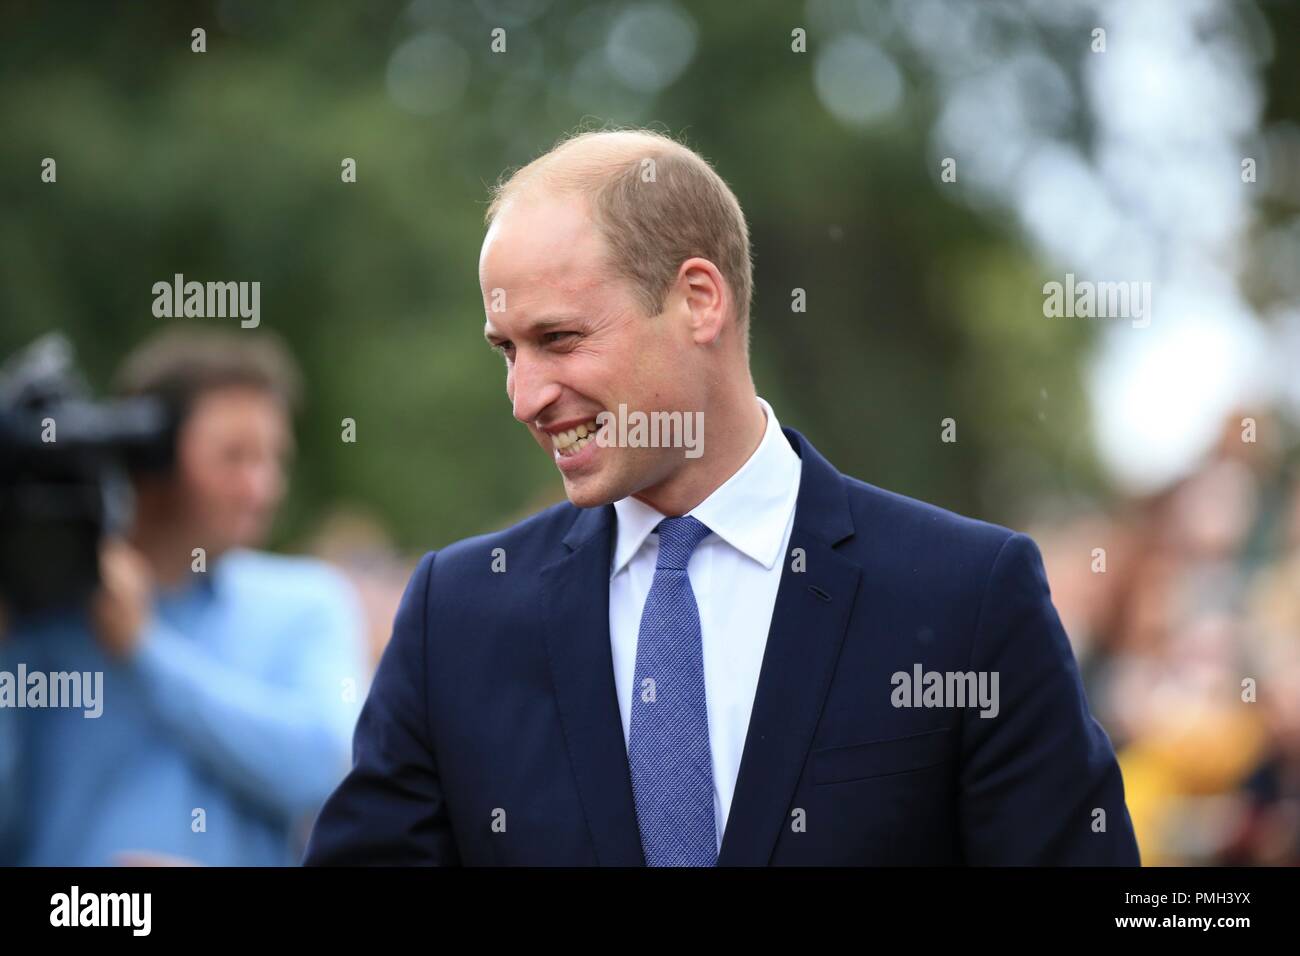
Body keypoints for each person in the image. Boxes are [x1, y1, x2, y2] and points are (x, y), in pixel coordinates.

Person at [303, 128, 1140, 866]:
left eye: (558, 338)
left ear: (699, 300)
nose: (525, 397)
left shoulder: (966, 595)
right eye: (506, 352)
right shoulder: (457, 616)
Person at [0, 328, 367, 866]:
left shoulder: (305, 604)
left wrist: (144, 651)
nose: (262, 490)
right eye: (235, 458)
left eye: (272, 460)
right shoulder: (44, 614)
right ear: (153, 458)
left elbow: (323, 766)